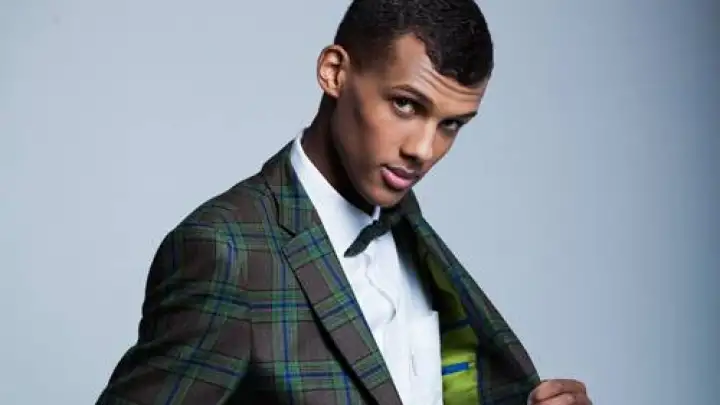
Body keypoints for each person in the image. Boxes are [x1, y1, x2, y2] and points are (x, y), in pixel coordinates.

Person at [96, 1, 592, 404]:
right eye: (405, 104)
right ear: (334, 72)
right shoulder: (227, 251)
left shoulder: (412, 237)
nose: (423, 149)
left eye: (451, 124)